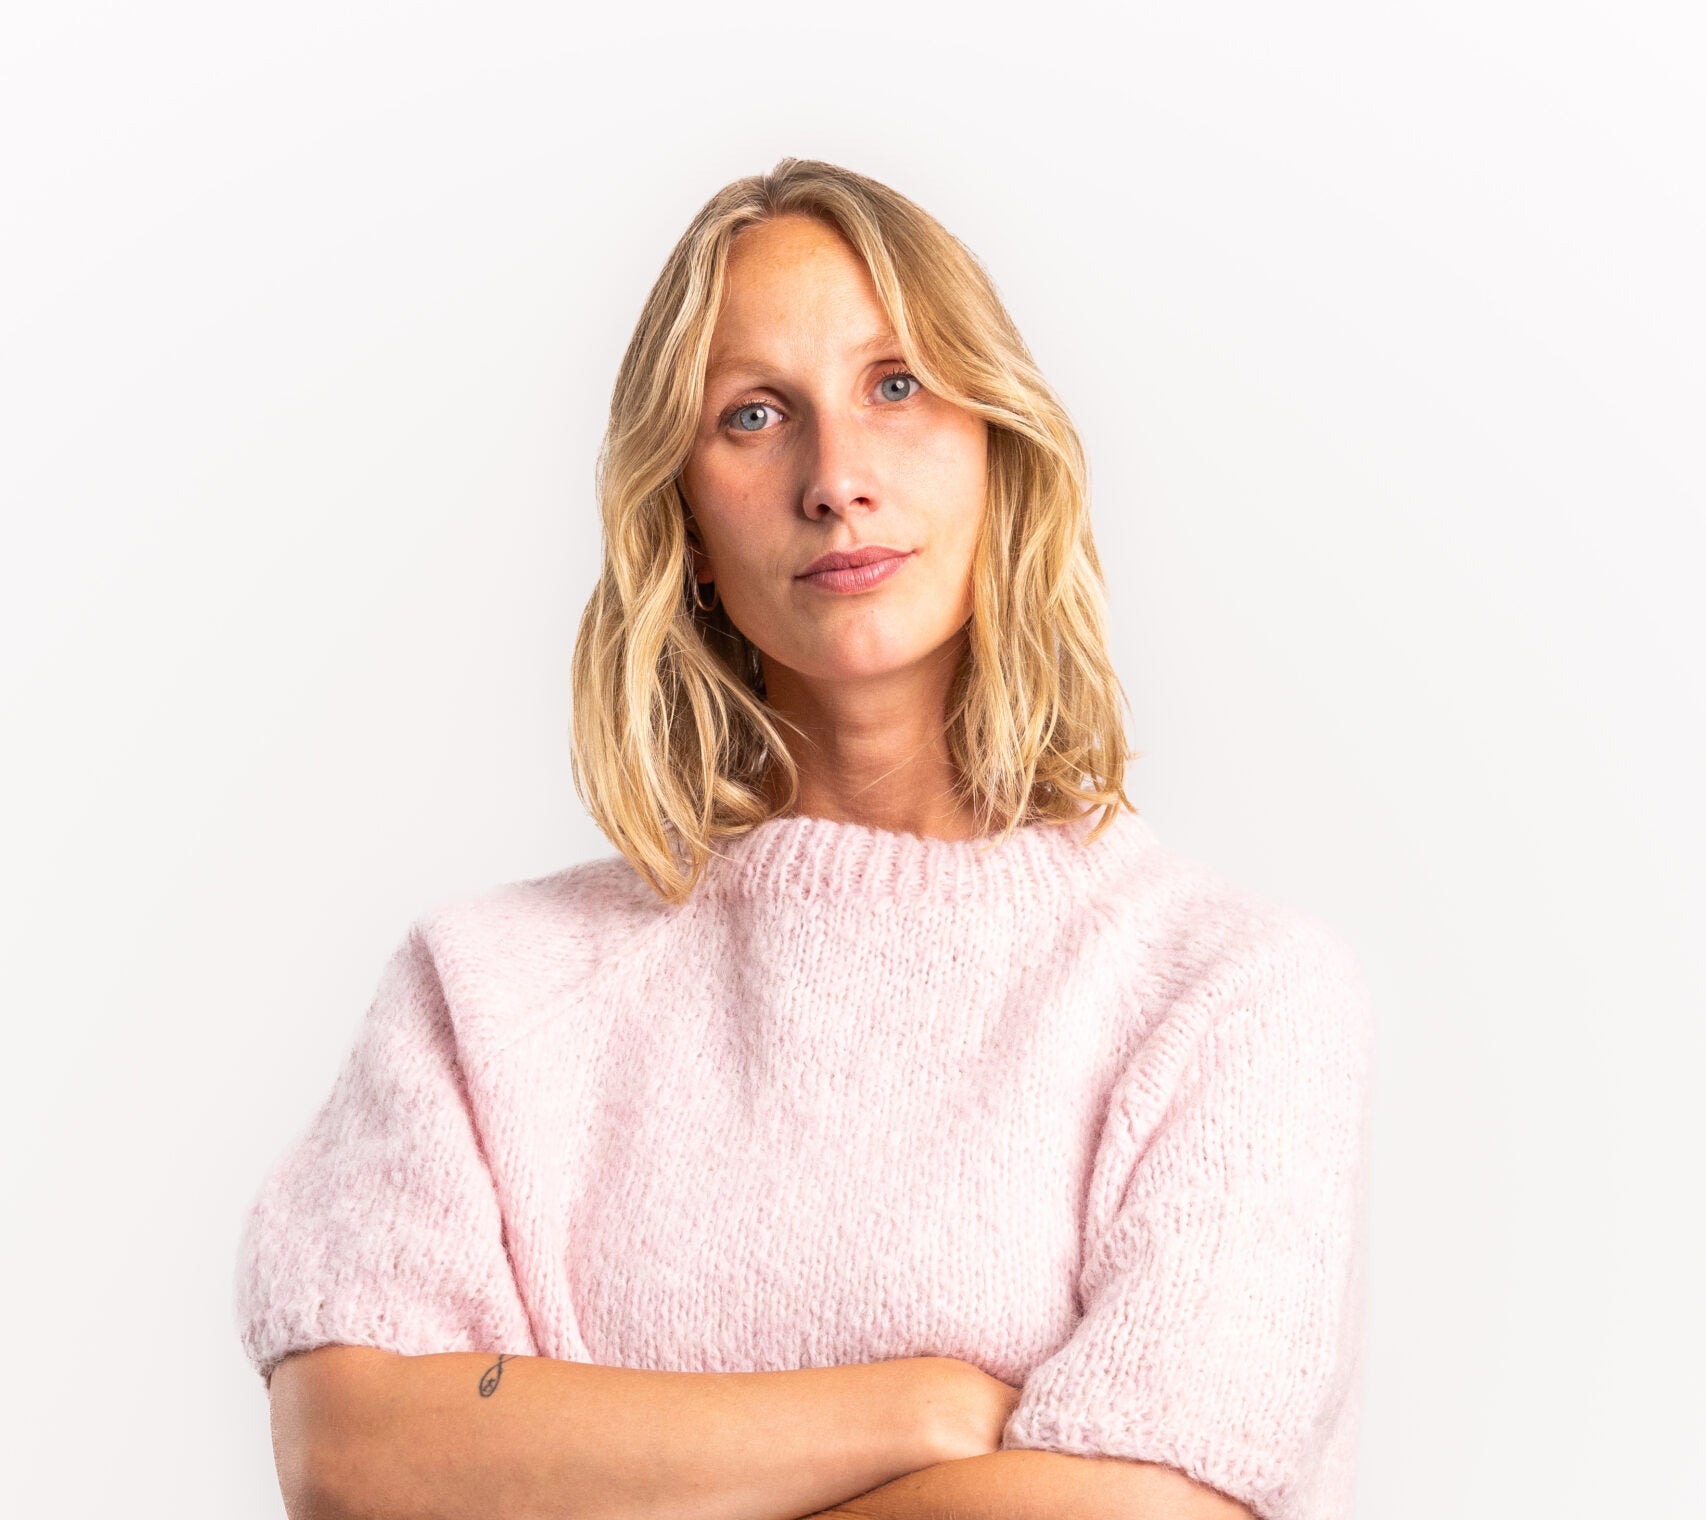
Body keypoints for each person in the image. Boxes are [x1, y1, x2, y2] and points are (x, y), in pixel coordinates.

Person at [233, 157, 1375, 1520]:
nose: (835, 478)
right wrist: (918, 1411)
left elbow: (1138, 1510)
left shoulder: (1227, 996)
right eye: (755, 415)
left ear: (997, 448)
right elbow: (354, 1455)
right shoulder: (485, 995)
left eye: (897, 385)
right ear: (685, 522)